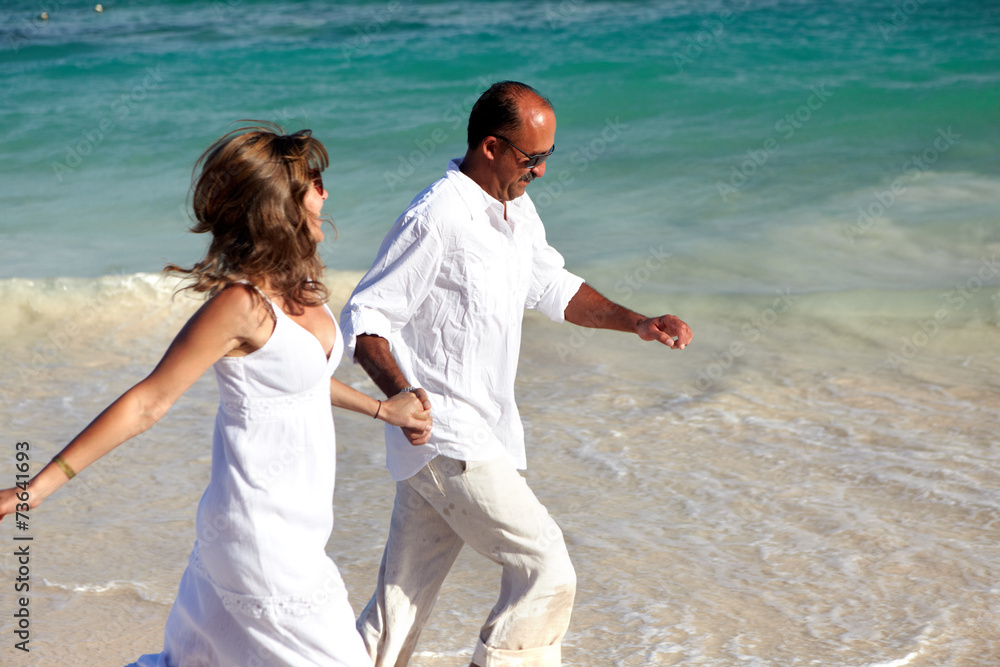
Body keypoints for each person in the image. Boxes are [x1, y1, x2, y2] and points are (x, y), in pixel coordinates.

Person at [0, 124, 432, 667]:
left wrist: (383, 410)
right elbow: (148, 402)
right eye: (315, 182)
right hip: (260, 539)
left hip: (294, 531)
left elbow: (301, 381)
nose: (326, 194)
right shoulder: (240, 306)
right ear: (279, 204)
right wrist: (36, 489)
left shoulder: (299, 288)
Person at [340, 81, 693, 667]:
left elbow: (554, 287)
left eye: (548, 156)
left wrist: (637, 321)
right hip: (448, 438)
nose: (541, 171)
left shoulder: (515, 209)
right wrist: (400, 396)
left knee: (396, 611)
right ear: (490, 146)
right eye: (532, 158)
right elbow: (365, 316)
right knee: (545, 567)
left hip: (474, 435)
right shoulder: (436, 218)